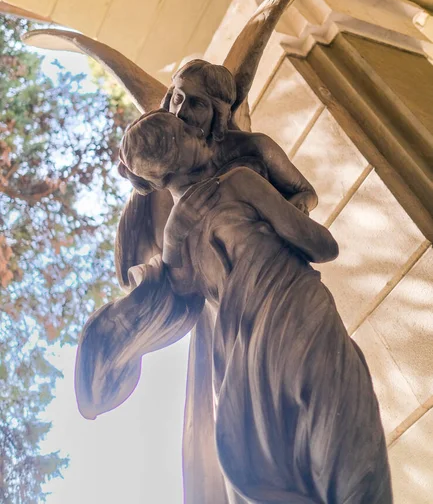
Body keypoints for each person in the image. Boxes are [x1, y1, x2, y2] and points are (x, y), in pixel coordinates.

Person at [76, 110, 393, 504]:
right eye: (187, 130)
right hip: (296, 311)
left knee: (271, 471)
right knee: (348, 447)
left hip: (241, 355)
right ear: (182, 149)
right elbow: (323, 246)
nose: (198, 130)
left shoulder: (176, 245)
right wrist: (289, 211)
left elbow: (181, 284)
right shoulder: (239, 183)